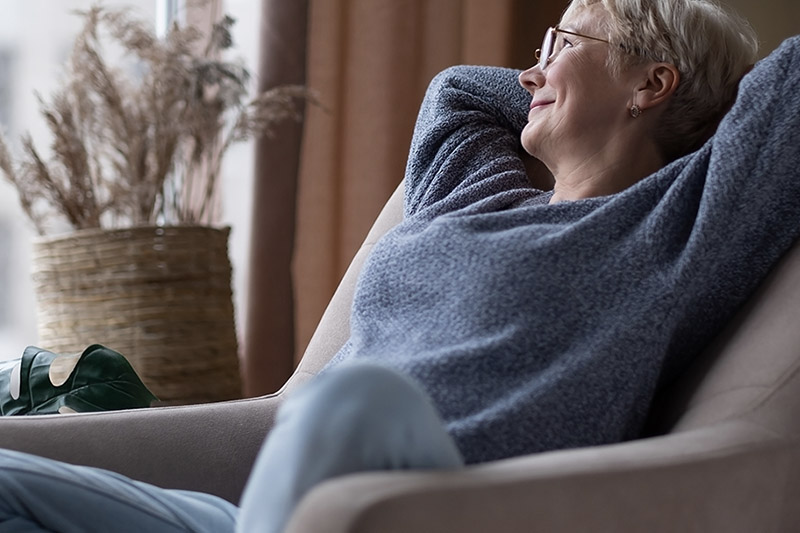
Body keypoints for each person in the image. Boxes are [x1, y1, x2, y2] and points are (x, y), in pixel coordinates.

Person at [3, 0, 800, 531]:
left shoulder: (669, 224)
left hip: (429, 500)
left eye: (559, 44)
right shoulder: (476, 188)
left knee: (358, 401)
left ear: (652, 81)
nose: (528, 72)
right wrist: (580, 69)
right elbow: (458, 89)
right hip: (269, 509)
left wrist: (699, 107)